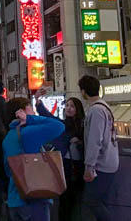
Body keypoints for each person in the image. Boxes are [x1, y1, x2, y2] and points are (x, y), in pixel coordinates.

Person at [2, 97, 64, 221]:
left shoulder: (8, 137)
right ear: (22, 111)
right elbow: (58, 126)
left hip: (14, 198)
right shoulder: (29, 132)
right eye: (30, 107)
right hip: (34, 198)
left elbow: (8, 170)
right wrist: (30, 119)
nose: (33, 110)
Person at [34, 90, 84, 221]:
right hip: (65, 164)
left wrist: (79, 141)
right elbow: (47, 116)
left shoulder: (83, 126)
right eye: (67, 105)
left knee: (71, 198)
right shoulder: (61, 124)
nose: (68, 108)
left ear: (78, 109)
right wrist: (38, 101)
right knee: (66, 198)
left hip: (77, 165)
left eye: (72, 106)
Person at [80, 75, 119, 221]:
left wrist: (89, 166)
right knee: (101, 201)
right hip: (110, 161)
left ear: (83, 91)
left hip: (101, 165)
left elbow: (95, 140)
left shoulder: (96, 110)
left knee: (91, 200)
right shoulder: (105, 107)